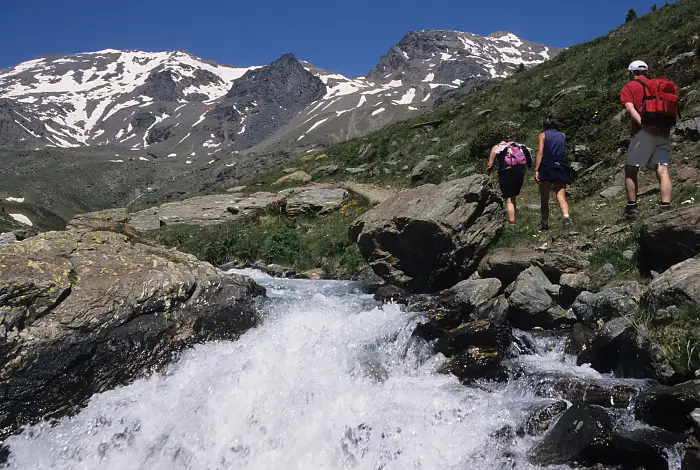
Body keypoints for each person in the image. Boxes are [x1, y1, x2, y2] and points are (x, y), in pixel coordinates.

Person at [620, 60, 675, 220]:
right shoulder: (658, 86)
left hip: (643, 133)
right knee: (662, 169)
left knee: (631, 170)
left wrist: (644, 126)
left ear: (631, 72)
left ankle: (632, 210)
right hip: (664, 133)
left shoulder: (629, 87)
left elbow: (630, 108)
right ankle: (665, 207)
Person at [535, 117, 573, 230]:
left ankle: (545, 222)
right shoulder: (562, 135)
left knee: (544, 197)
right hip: (560, 165)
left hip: (546, 166)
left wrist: (536, 169)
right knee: (561, 195)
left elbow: (540, 152)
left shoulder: (542, 135)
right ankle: (566, 216)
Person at [487, 138, 532, 225]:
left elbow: (490, 165)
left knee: (509, 199)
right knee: (513, 197)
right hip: (519, 172)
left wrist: (487, 173)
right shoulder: (517, 145)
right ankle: (514, 219)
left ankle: (512, 223)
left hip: (506, 173)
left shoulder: (497, 147)